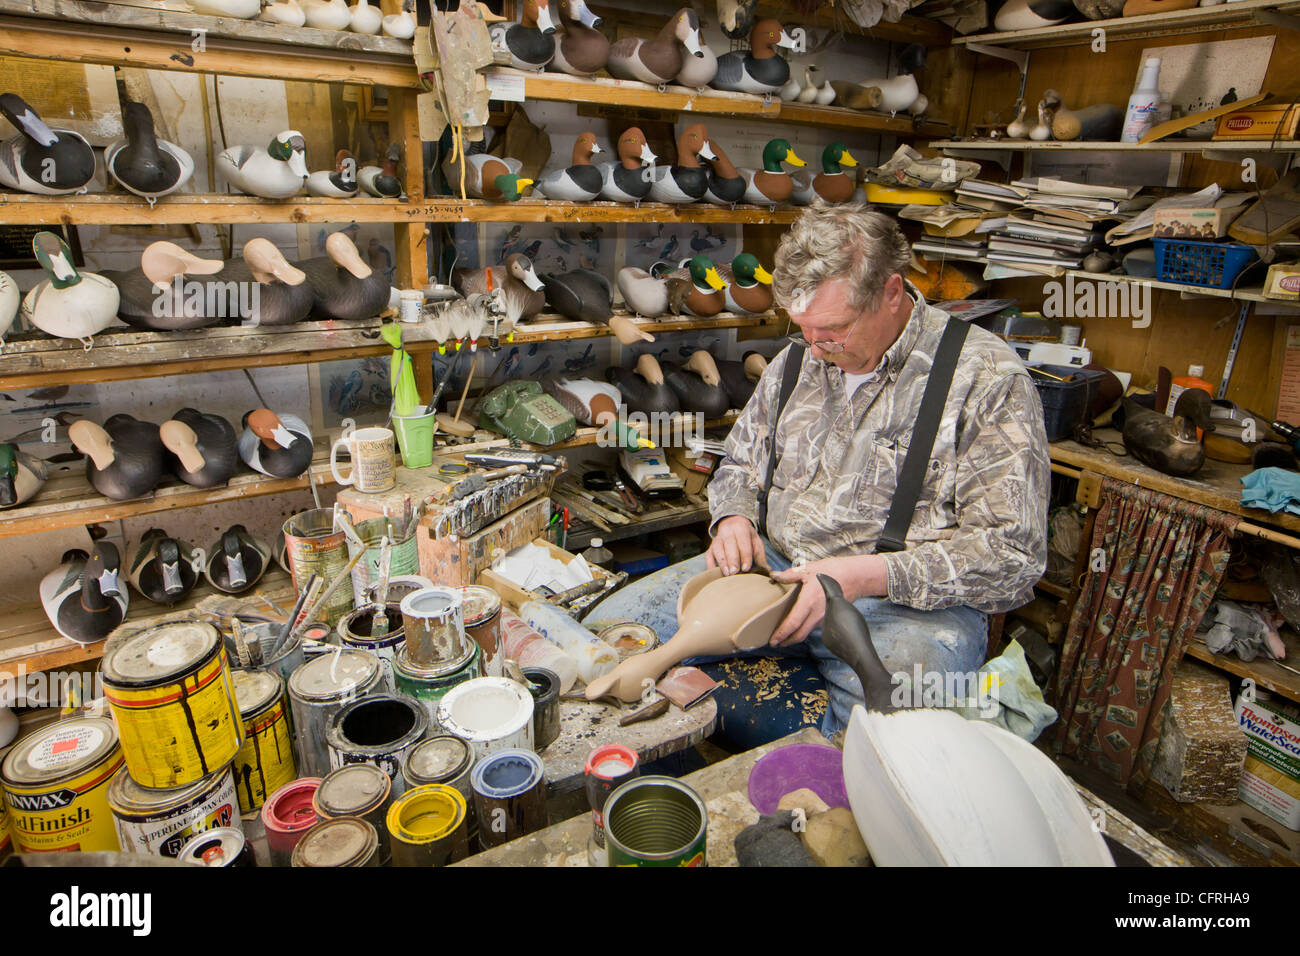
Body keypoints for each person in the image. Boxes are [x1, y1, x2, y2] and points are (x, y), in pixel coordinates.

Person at [589, 203, 1050, 738]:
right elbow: (739, 460)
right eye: (804, 329)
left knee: (886, 744)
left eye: (832, 329)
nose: (817, 348)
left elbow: (1013, 555)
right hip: (774, 573)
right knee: (609, 635)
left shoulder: (987, 380)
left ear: (892, 292)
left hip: (900, 606)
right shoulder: (799, 358)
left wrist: (865, 576)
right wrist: (733, 517)